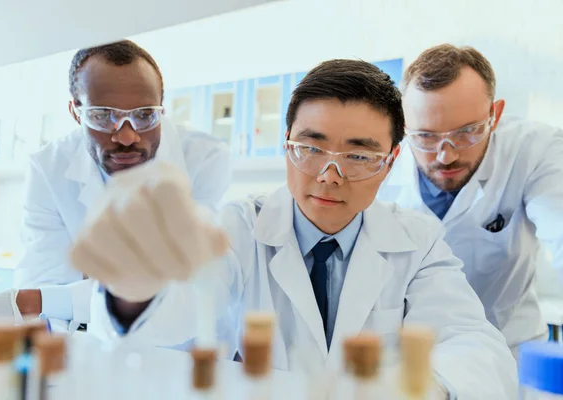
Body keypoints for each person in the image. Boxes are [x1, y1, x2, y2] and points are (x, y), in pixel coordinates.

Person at [70, 59, 517, 399]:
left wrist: (421, 387)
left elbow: (473, 344)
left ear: (389, 164)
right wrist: (134, 294)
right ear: (286, 147)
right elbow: (179, 315)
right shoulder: (239, 226)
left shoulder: (417, 242)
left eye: (358, 156)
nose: (329, 175)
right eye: (310, 148)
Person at [11, 40, 231, 330]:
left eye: (144, 115)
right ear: (76, 111)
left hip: (183, 350)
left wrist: (55, 298)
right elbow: (44, 291)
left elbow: (191, 282)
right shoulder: (48, 166)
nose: (127, 137)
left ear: (161, 108)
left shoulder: (203, 158)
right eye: (103, 116)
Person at [376, 44, 563, 356]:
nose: (446, 155)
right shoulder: (379, 162)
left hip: (507, 349)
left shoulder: (534, 150)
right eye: (426, 137)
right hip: (410, 355)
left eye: (467, 132)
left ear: (496, 114)